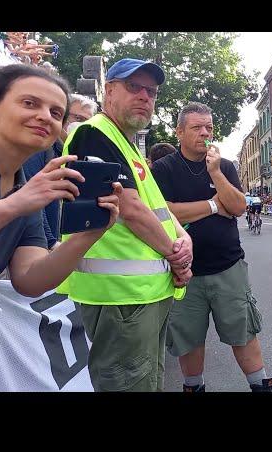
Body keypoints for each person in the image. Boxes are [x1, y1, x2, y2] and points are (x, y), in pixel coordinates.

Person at [60, 58, 193, 392]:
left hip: (143, 294)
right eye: (133, 87)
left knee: (146, 381)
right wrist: (176, 254)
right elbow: (130, 208)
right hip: (119, 297)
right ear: (108, 91)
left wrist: (182, 239)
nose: (144, 96)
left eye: (151, 91)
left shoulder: (125, 142)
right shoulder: (93, 133)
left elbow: (155, 205)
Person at [152, 102, 272, 392]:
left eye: (208, 126)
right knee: (188, 337)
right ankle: (194, 387)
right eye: (196, 127)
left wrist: (216, 173)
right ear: (179, 132)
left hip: (227, 265)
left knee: (242, 331)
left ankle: (261, 386)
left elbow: (237, 207)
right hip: (183, 271)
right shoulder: (164, 168)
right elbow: (165, 213)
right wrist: (212, 205)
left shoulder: (226, 166)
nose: (205, 133)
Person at [0, 63, 121, 294]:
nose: (45, 117)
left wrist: (88, 235)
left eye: (56, 113)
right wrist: (15, 204)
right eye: (29, 103)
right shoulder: (25, 197)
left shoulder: (25, 187)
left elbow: (29, 280)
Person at [23, 93, 98, 249]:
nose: (83, 125)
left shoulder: (73, 153)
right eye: (78, 119)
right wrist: (50, 242)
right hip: (38, 244)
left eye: (88, 121)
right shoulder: (41, 149)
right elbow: (30, 196)